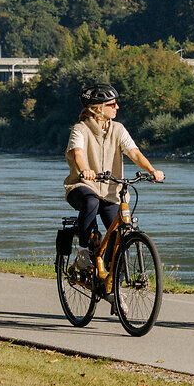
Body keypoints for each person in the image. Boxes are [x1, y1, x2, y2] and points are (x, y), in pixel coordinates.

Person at [64, 83, 164, 261]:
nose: (117, 107)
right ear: (98, 108)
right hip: (82, 186)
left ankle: (110, 279)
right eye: (112, 104)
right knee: (91, 201)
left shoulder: (118, 129)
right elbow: (77, 153)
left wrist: (152, 170)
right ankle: (83, 251)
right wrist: (86, 170)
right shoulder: (80, 129)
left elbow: (134, 152)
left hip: (112, 192)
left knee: (120, 236)